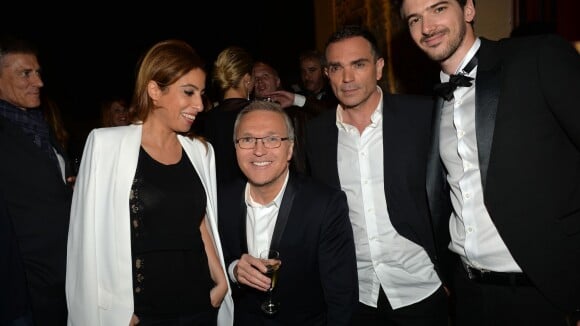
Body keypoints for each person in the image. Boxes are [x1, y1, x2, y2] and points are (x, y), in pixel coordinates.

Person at [396, 0, 580, 325]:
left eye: (438, 9)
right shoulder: (432, 103)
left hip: (544, 294)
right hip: (469, 294)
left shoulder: (536, 58)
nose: (426, 27)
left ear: (468, 9)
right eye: (414, 19)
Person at [65, 39, 234, 326]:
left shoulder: (200, 151)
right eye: (188, 92)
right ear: (155, 90)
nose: (199, 105)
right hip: (141, 312)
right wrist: (113, 312)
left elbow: (200, 219)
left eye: (202, 94)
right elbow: (85, 238)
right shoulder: (106, 145)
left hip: (200, 303)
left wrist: (220, 282)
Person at [305, 25, 451, 326]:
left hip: (422, 288)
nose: (347, 78)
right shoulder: (317, 134)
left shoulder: (422, 116)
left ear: (379, 67)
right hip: (354, 296)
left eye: (358, 64)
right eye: (336, 67)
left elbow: (451, 193)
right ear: (327, 73)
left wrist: (451, 273)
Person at [218, 100, 358, 325]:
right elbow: (203, 266)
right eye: (247, 139)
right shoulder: (219, 200)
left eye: (272, 139)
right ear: (235, 146)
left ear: (290, 149)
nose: (259, 150)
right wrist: (233, 270)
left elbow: (342, 296)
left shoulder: (324, 205)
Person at [0, 35, 74, 325]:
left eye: (38, 72)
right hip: (26, 290)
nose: (39, 82)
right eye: (25, 73)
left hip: (62, 277)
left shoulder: (39, 127)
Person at [196, 46, 254, 187]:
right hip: (251, 199)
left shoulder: (204, 120)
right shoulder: (258, 114)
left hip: (217, 199)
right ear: (247, 79)